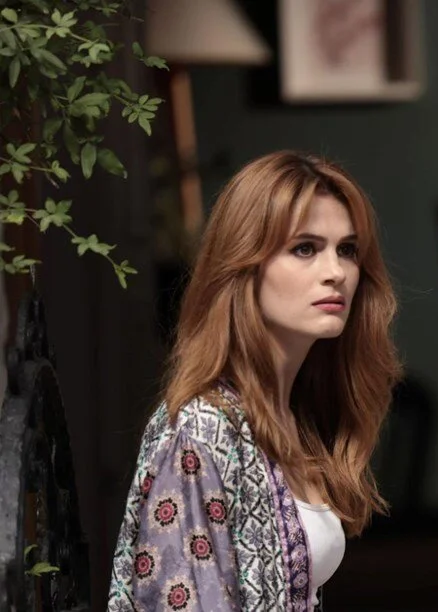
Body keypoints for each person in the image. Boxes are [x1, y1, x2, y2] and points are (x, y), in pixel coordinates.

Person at [107, 151, 401, 611]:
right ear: (245, 264)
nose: (336, 272)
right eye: (305, 248)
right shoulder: (201, 430)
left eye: (347, 250)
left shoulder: (295, 414)